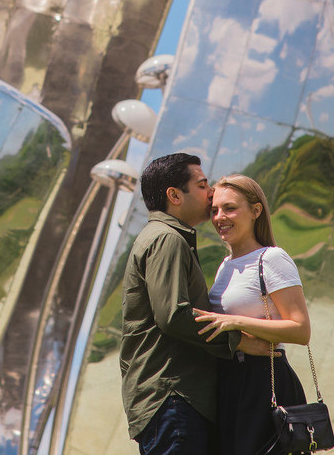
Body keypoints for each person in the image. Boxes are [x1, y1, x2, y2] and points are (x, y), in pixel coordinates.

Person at [121, 154, 273, 454]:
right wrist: (239, 340)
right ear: (174, 195)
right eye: (203, 185)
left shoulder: (164, 237)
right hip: (173, 397)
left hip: (173, 400)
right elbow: (173, 315)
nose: (211, 193)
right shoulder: (167, 239)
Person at [193, 174, 312, 455]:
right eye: (214, 211)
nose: (220, 217)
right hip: (230, 380)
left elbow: (301, 330)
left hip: (263, 382)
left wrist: (235, 322)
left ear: (256, 211)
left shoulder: (271, 258)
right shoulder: (225, 265)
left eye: (230, 208)